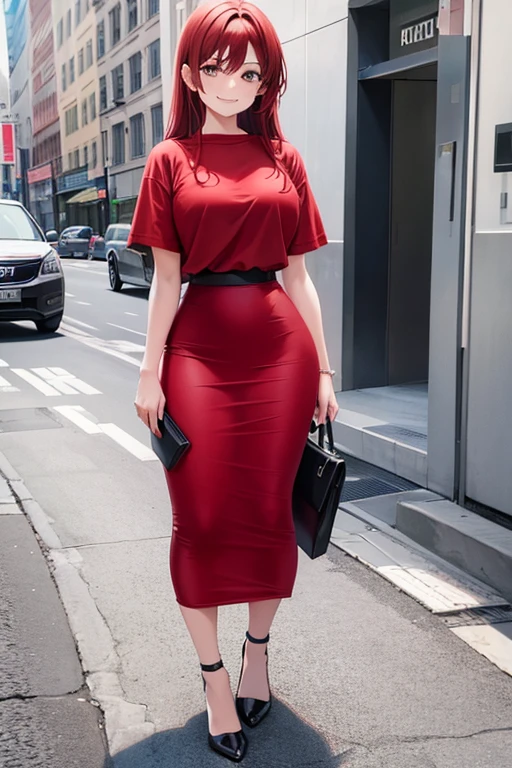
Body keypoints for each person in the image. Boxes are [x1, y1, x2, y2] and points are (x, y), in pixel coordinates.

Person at [129, 0, 339, 762]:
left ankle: (257, 651)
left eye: (249, 68)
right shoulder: (168, 161)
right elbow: (164, 280)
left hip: (279, 354)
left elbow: (301, 277)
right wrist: (150, 371)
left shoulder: (285, 160)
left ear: (265, 79)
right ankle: (214, 676)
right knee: (203, 519)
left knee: (268, 518)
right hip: (197, 354)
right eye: (218, 66)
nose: (234, 80)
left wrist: (320, 365)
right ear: (190, 73)